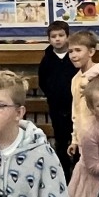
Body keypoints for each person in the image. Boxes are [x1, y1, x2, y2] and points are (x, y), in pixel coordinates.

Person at [37, 20, 76, 181]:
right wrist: (52, 95)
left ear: (67, 36)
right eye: (54, 36)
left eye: (61, 35)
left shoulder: (74, 57)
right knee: (61, 140)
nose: (57, 39)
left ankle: (77, 173)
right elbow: (42, 81)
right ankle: (63, 175)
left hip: (74, 106)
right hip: (56, 107)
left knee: (77, 139)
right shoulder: (47, 59)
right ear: (49, 39)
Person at [66, 31, 99, 159]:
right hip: (84, 138)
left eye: (78, 50)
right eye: (70, 51)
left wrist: (89, 79)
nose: (73, 55)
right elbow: (76, 111)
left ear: (91, 52)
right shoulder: (75, 79)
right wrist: (75, 139)